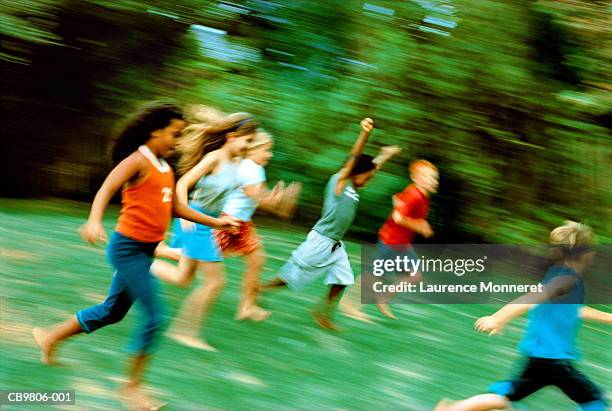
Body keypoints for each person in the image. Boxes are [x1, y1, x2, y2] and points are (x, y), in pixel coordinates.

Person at [32, 101, 238, 410]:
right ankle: (131, 388)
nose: (178, 141)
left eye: (181, 135)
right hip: (127, 249)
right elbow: (106, 188)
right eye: (175, 134)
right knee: (156, 316)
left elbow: (177, 208)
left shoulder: (166, 168)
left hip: (146, 250)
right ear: (155, 131)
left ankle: (50, 336)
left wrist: (216, 221)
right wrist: (93, 220)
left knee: (111, 312)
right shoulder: (137, 160)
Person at [435, 221, 610, 411]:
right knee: (593, 400)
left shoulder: (558, 276)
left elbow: (575, 311)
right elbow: (532, 298)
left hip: (542, 356)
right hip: (552, 359)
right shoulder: (566, 280)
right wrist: (499, 318)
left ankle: (453, 409)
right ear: (585, 254)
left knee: (506, 398)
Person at [261, 118, 400, 330]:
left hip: (335, 244)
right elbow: (355, 159)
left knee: (342, 279)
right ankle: (260, 289)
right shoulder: (340, 181)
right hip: (320, 241)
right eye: (368, 177)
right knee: (291, 277)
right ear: (355, 171)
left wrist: (385, 155)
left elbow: (371, 167)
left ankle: (322, 313)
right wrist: (365, 134)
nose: (370, 180)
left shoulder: (353, 186)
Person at [151, 108, 257, 351]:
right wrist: (185, 210)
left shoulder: (239, 164)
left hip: (209, 222)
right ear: (231, 137)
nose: (249, 146)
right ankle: (184, 332)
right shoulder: (214, 158)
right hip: (195, 220)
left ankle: (142, 262)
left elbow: (244, 193)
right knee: (215, 283)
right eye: (247, 141)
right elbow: (183, 184)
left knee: (183, 278)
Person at [215, 130, 302, 321]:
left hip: (242, 223)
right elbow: (261, 200)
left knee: (257, 260)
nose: (269, 154)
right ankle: (158, 258)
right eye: (266, 150)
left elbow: (262, 197)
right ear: (252, 150)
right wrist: (282, 197)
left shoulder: (257, 168)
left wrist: (279, 198)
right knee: (195, 258)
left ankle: (246, 307)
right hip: (227, 222)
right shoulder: (247, 168)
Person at [343, 159, 439, 321]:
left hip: (402, 245)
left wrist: (402, 207)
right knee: (373, 276)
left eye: (434, 178)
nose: (433, 181)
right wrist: (419, 226)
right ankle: (350, 306)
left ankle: (384, 298)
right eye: (429, 177)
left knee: (415, 276)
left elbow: (398, 201)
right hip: (390, 242)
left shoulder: (422, 197)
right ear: (417, 178)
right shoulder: (414, 194)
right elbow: (398, 217)